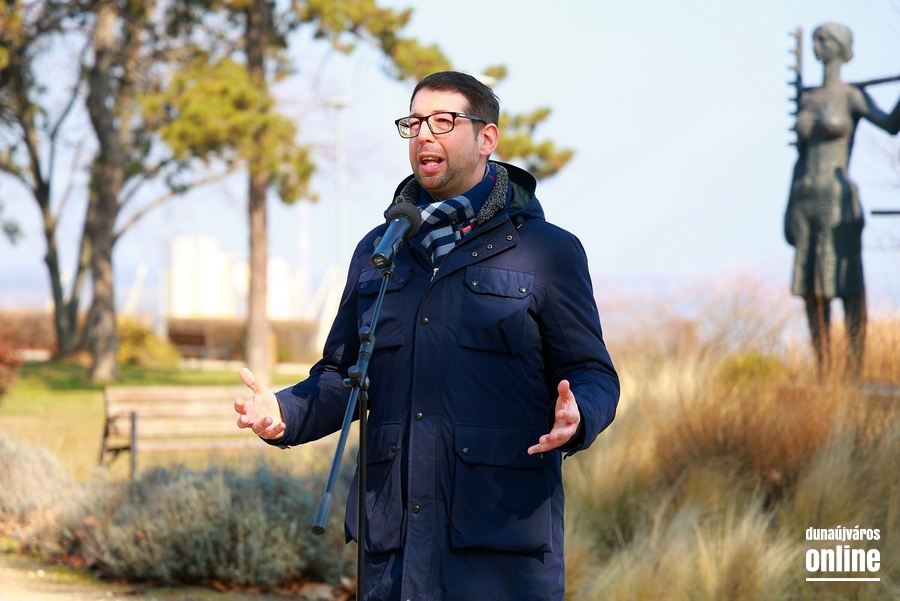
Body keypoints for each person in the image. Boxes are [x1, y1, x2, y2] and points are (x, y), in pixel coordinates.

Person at [234, 71, 619, 601]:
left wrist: (580, 417)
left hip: (499, 553)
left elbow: (592, 372)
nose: (423, 135)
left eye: (443, 121)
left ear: (486, 138)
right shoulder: (380, 250)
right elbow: (343, 375)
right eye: (414, 123)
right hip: (392, 555)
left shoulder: (546, 251)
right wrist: (284, 412)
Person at [784, 22, 900, 381]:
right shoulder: (808, 97)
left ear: (841, 47)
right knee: (811, 288)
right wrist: (789, 208)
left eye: (825, 39)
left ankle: (852, 370)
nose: (818, 45)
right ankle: (823, 370)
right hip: (805, 196)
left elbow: (890, 124)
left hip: (837, 199)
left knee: (845, 282)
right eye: (816, 39)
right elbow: (799, 159)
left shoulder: (851, 96)